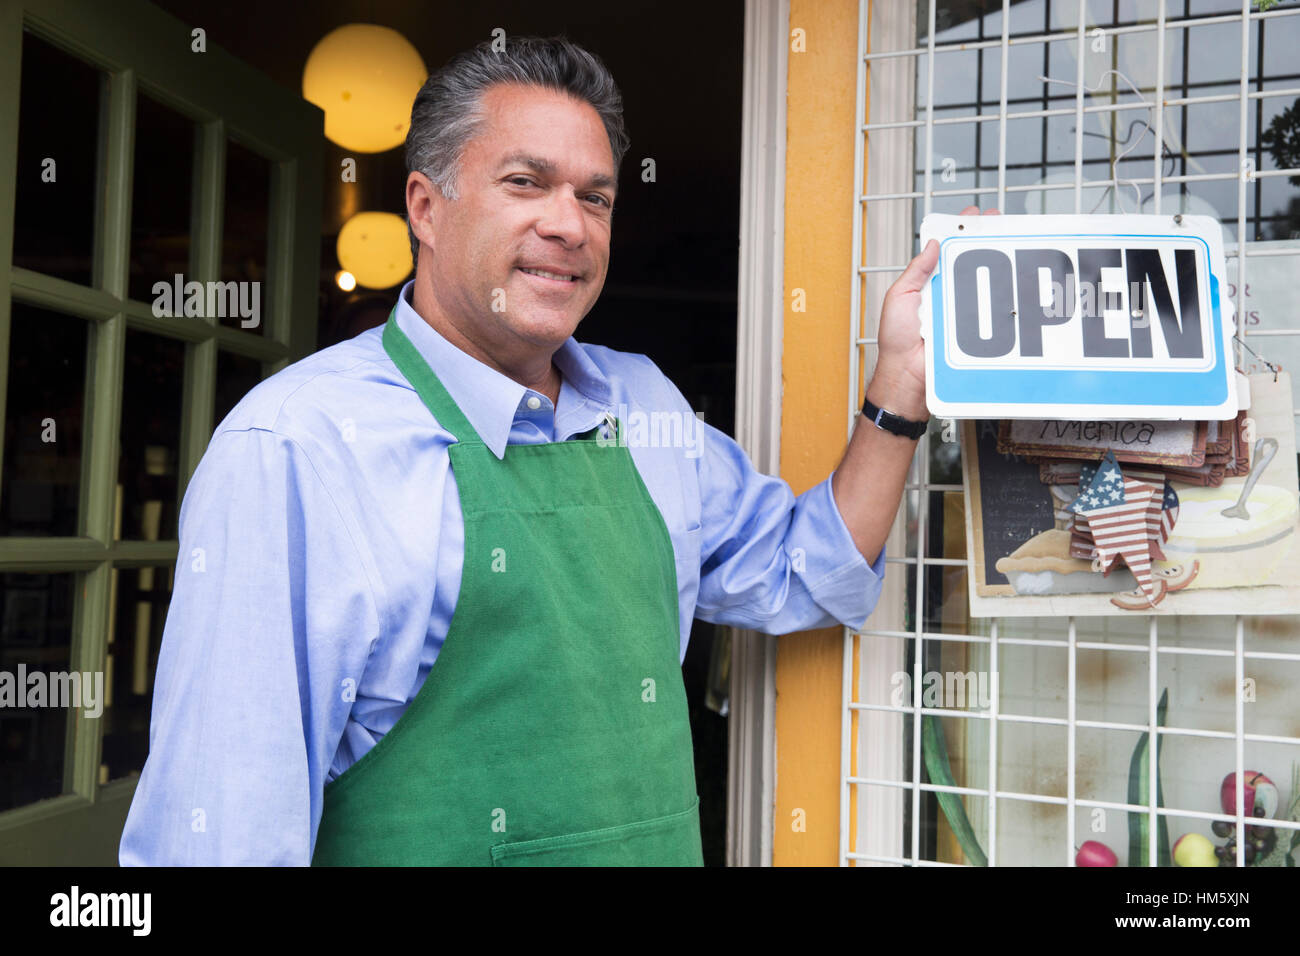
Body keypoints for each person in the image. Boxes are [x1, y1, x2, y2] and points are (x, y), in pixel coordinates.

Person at [119, 34, 994, 866]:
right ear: (426, 207)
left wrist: (902, 386)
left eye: (595, 196)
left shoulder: (644, 405)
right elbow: (222, 835)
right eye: (526, 182)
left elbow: (810, 572)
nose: (569, 226)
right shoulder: (298, 449)